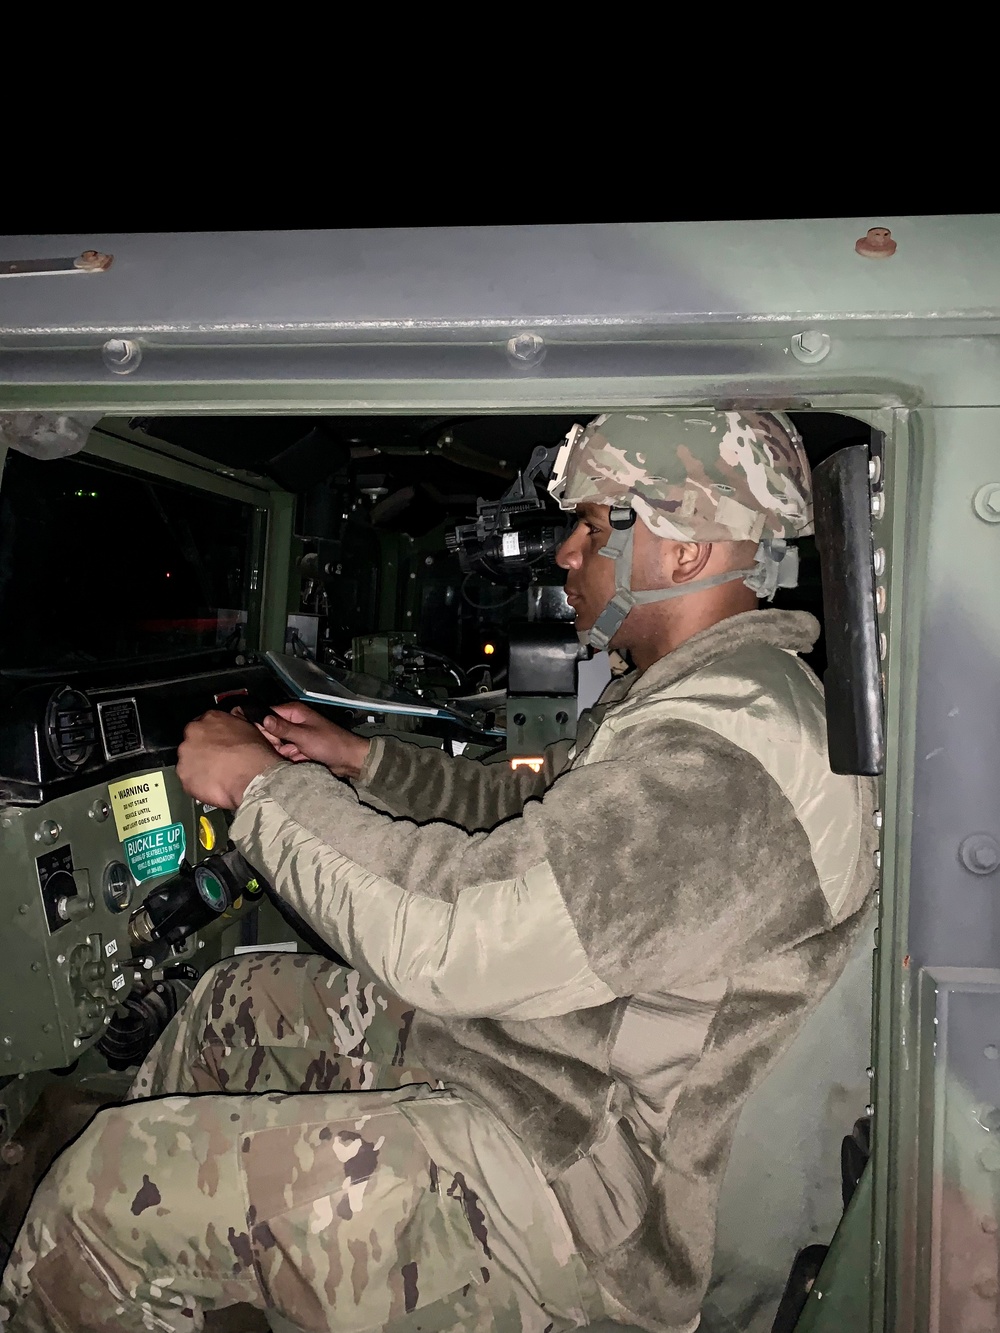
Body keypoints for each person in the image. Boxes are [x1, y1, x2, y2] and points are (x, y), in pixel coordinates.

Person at [0, 410, 877, 1333]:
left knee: (107, 1190)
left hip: (582, 1206)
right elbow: (532, 830)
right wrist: (363, 762)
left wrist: (261, 790)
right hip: (545, 1068)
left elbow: (454, 940)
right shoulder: (701, 701)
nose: (568, 556)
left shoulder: (724, 762)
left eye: (590, 525)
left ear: (689, 553)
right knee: (231, 1000)